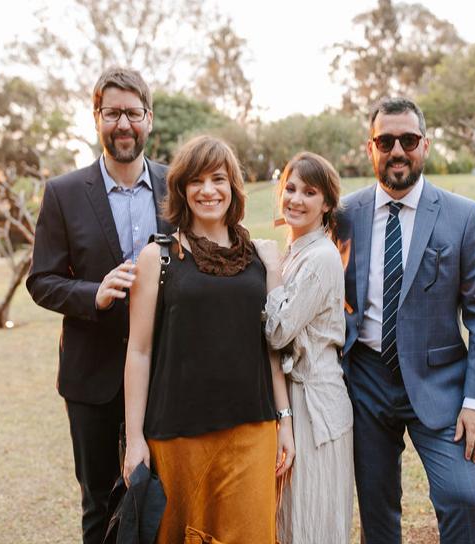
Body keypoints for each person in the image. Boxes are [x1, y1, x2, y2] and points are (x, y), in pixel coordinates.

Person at [337, 97, 475, 544]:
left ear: (424, 145)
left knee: (461, 496)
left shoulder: (463, 215)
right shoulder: (344, 215)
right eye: (385, 141)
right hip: (365, 380)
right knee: (376, 507)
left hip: (441, 381)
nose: (397, 151)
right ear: (370, 147)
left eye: (408, 140)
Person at [122, 135, 295, 544]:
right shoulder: (158, 258)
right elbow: (139, 352)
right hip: (178, 437)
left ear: (233, 187)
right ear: (182, 189)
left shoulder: (258, 257)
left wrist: (284, 421)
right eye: (196, 180)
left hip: (252, 433)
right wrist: (133, 442)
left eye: (218, 179)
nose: (208, 190)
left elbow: (271, 349)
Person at [26, 67, 170, 544]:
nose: (123, 124)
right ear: (96, 118)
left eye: (133, 113)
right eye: (113, 113)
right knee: (99, 502)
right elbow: (41, 280)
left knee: (166, 496)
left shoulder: (179, 186)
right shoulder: (63, 194)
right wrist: (93, 293)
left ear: (149, 119)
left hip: (168, 373)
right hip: (92, 378)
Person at [259, 152, 354, 543]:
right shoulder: (295, 249)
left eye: (309, 192)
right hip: (293, 401)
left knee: (312, 522)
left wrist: (269, 271)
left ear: (327, 204)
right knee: (289, 518)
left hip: (316, 407)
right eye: (291, 188)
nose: (295, 199)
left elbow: (278, 331)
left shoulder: (320, 257)